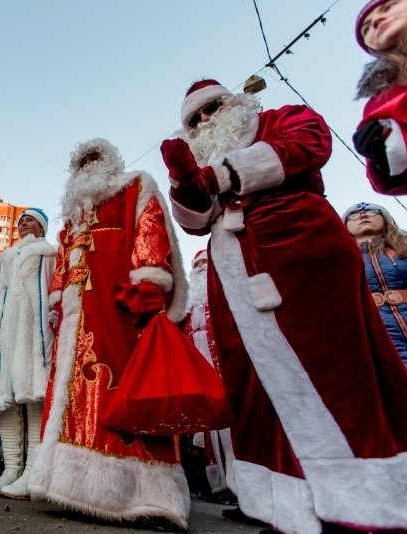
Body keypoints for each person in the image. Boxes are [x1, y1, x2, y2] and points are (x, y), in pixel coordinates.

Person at [161, 79, 407, 533]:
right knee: (258, 391)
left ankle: (361, 503)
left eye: (211, 108)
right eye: (194, 119)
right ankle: (291, 508)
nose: (205, 121)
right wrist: (184, 185)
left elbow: (309, 144)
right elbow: (196, 222)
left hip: (299, 255)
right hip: (234, 280)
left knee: (335, 377)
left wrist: (216, 176)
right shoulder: (204, 162)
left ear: (233, 102)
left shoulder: (278, 118)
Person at [28, 138, 191, 527]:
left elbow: (150, 230)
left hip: (119, 306)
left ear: (111, 161)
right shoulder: (73, 218)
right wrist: (55, 302)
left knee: (122, 386)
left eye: (94, 158)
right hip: (75, 316)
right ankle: (72, 486)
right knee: (71, 395)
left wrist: (150, 284)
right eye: (80, 161)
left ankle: (143, 493)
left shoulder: (135, 186)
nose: (87, 166)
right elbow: (66, 263)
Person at [0, 208, 56, 499]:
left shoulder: (50, 253)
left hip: (35, 335)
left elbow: (55, 291)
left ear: (42, 227)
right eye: (20, 221)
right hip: (6, 337)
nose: (22, 224)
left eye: (29, 220)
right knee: (5, 402)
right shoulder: (5, 258)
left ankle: (33, 470)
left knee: (33, 399)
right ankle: (12, 467)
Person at [181, 250, 236, 502]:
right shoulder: (187, 307)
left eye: (206, 262)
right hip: (196, 372)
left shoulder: (225, 297)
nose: (201, 267)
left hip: (225, 369)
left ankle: (236, 483)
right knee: (201, 432)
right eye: (197, 264)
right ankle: (209, 485)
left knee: (229, 425)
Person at [354, 0, 407, 195]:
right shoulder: (378, 103)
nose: (376, 20)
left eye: (389, 7)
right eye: (366, 28)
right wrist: (381, 165)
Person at [344, 202, 407, 366]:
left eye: (371, 212)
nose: (363, 215)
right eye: (354, 215)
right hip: (376, 334)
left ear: (385, 218)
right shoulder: (339, 260)